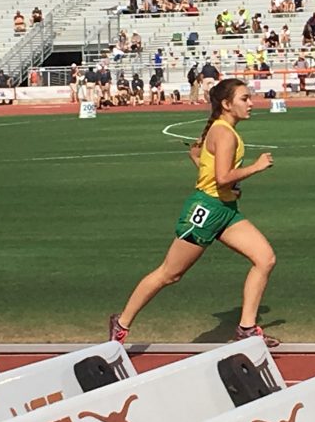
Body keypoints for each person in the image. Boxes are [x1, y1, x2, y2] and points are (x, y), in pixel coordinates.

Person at [109, 79, 279, 347]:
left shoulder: (221, 129)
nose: (251, 103)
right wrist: (255, 167)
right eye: (244, 98)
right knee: (170, 274)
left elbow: (204, 162)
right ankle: (121, 322)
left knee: (265, 258)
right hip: (206, 210)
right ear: (226, 104)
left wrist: (211, 171)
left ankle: (246, 327)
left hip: (226, 210)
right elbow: (222, 177)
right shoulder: (224, 133)